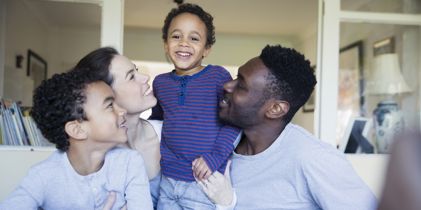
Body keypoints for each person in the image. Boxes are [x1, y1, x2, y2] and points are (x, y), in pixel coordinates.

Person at [199, 45, 377, 210]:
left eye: (241, 86)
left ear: (275, 109)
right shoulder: (219, 142)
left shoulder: (312, 158)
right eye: (236, 77)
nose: (227, 85)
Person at [0, 69, 153, 210]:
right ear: (77, 130)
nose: (123, 110)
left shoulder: (130, 162)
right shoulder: (43, 176)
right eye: (109, 106)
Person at [149, 3, 240, 209]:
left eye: (194, 38)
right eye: (176, 36)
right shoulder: (160, 83)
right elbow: (155, 124)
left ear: (206, 49)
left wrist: (214, 158)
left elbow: (234, 122)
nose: (183, 43)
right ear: (165, 43)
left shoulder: (218, 76)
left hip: (204, 182)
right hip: (167, 180)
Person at [74, 47, 162, 208]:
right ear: (104, 95)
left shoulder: (171, 134)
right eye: (131, 77)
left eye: (136, 70)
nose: (145, 77)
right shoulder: (92, 162)